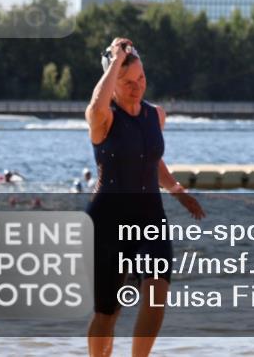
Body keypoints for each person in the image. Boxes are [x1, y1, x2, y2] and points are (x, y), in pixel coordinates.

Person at [84, 38, 205, 357]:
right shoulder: (102, 118)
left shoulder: (156, 115)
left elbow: (152, 160)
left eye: (141, 79)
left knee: (156, 294)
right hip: (107, 222)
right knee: (107, 313)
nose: (137, 87)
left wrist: (177, 190)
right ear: (112, 82)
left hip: (150, 218)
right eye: (127, 82)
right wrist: (115, 61)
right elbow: (96, 105)